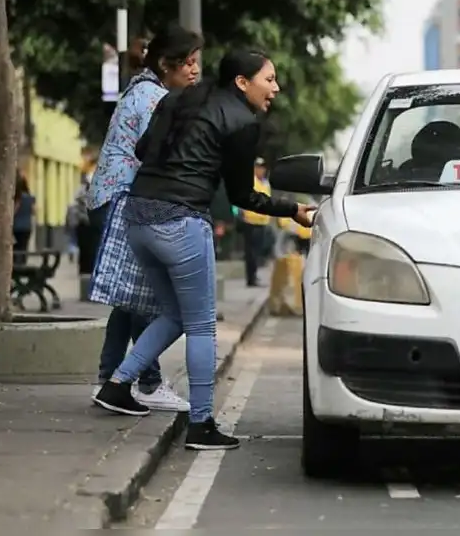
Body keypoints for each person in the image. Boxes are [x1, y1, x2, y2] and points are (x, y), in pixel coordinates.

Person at [92, 50, 316, 451]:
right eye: (270, 79)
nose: (276, 88)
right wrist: (293, 209)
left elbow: (143, 150)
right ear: (242, 83)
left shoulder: (174, 99)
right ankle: (201, 425)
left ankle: (117, 385)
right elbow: (243, 195)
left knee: (174, 314)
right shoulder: (243, 122)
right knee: (200, 325)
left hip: (138, 217)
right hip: (181, 222)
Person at [86, 24, 204, 412]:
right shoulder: (156, 99)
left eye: (196, 63)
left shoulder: (141, 90)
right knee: (142, 297)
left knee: (128, 298)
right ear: (166, 65)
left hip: (112, 197)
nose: (194, 71)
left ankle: (110, 379)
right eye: (187, 63)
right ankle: (147, 382)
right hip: (125, 199)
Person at [237, 158, 272, 287]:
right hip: (250, 221)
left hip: (262, 222)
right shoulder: (251, 182)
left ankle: (254, 275)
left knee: (257, 251)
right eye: (258, 167)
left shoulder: (265, 183)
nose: (261, 170)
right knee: (250, 252)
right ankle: (251, 278)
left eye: (263, 167)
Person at [12, 173, 34, 264]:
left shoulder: (18, 198)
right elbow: (34, 211)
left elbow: (14, 211)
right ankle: (23, 263)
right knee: (24, 247)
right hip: (27, 227)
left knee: (16, 248)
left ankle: (16, 265)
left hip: (16, 226)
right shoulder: (30, 198)